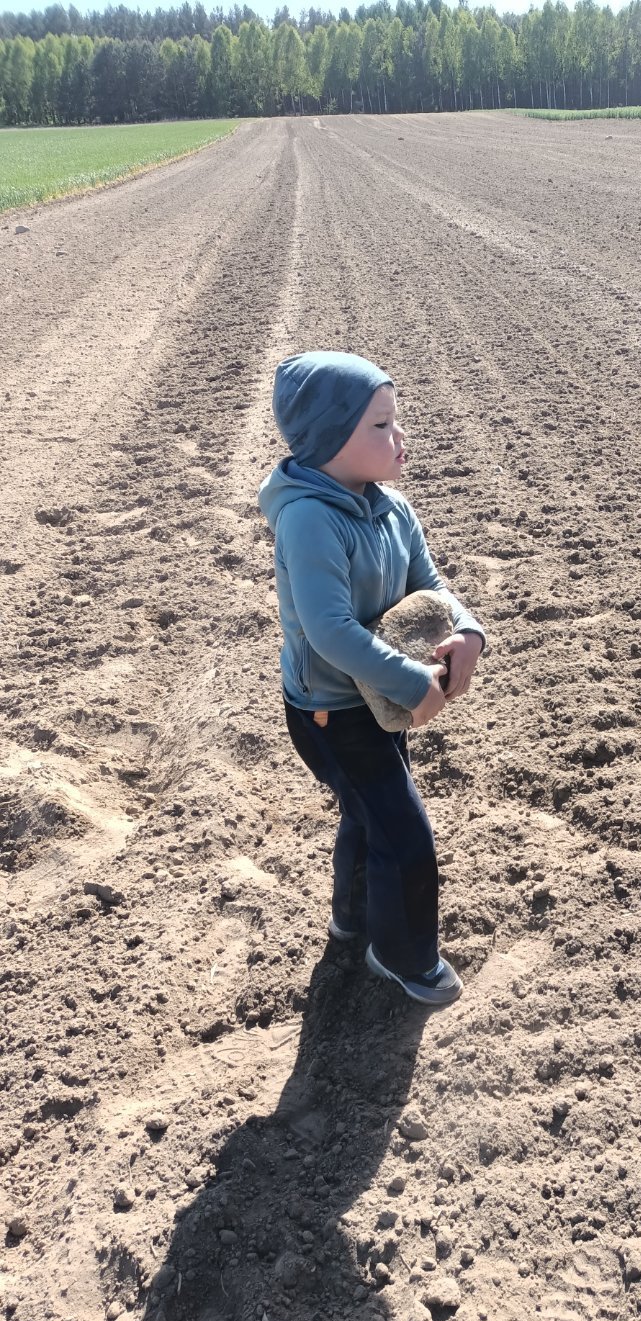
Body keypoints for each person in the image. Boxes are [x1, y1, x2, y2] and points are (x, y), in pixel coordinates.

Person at [258, 351, 485, 1007]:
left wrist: (468, 632)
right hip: (331, 713)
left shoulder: (393, 510)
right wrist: (416, 685)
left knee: (368, 815)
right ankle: (404, 957)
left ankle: (353, 920)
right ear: (331, 441)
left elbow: (431, 587)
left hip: (380, 700)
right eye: (381, 425)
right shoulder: (309, 520)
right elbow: (329, 631)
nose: (400, 436)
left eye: (396, 420)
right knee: (404, 834)